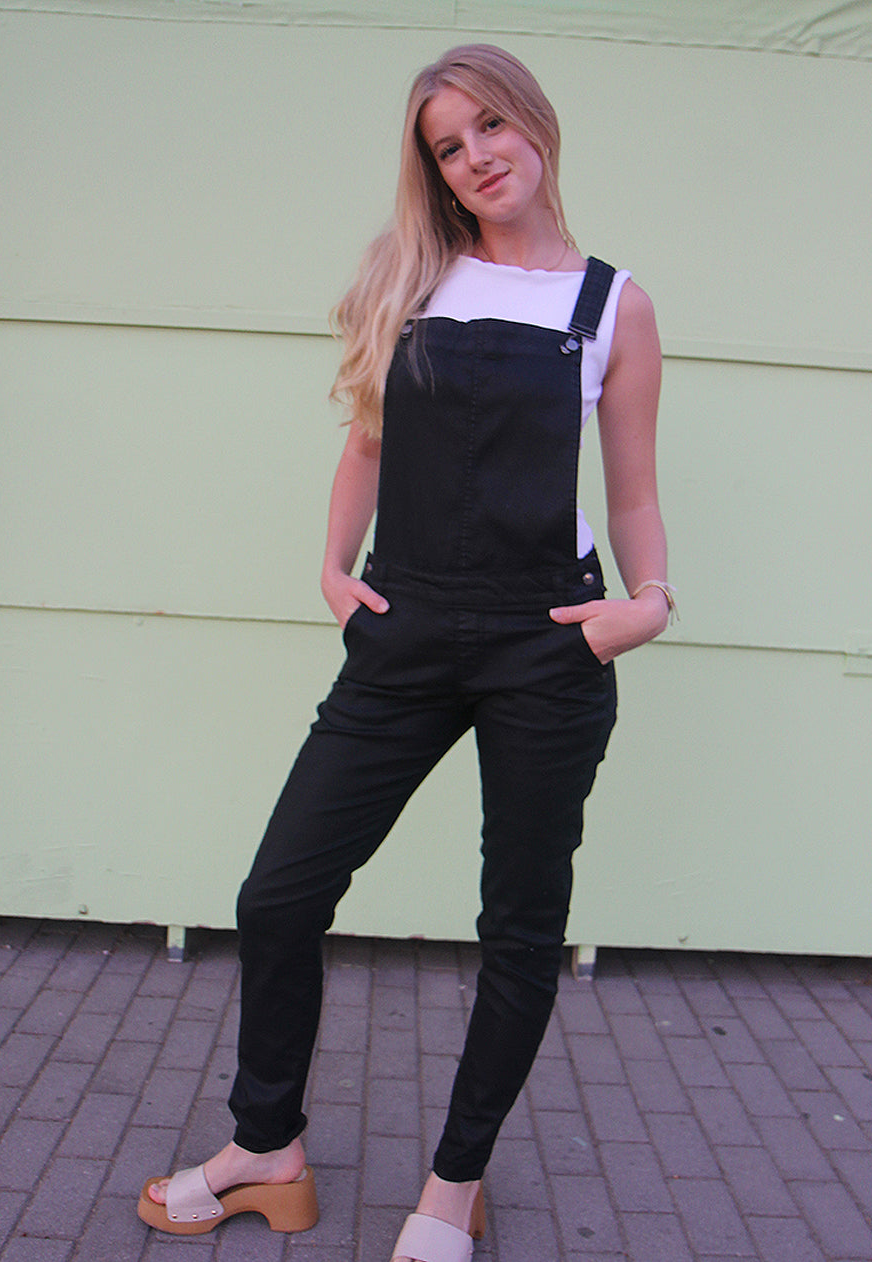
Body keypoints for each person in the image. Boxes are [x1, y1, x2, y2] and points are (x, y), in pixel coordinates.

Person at [137, 42, 674, 1262]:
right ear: (429, 167)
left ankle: (454, 1180)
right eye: (447, 143)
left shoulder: (610, 304)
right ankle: (266, 1146)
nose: (475, 155)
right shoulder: (408, 276)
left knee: (519, 924)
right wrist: (333, 571)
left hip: (548, 641)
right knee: (276, 894)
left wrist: (648, 600)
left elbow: (632, 489)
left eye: (490, 125)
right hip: (406, 625)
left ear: (534, 125)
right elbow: (367, 445)